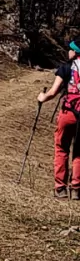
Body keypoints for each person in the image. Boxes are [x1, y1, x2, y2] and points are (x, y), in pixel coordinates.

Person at [37, 38, 80, 200]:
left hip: (68, 114)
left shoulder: (66, 67)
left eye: (70, 49)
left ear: (75, 52)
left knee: (62, 148)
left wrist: (42, 97)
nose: (68, 51)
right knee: (79, 152)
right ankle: (76, 189)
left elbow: (53, 92)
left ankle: (60, 188)